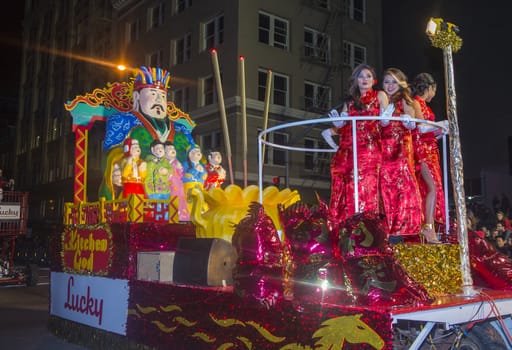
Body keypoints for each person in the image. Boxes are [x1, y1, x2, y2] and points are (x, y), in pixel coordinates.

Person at [322, 63, 388, 224]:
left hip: (370, 149)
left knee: (368, 186)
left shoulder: (380, 95)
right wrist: (338, 123)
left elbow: (385, 121)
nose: (364, 79)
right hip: (350, 150)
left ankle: (368, 225)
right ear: (356, 80)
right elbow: (343, 123)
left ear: (374, 80)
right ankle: (350, 226)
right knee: (350, 187)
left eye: (368, 76)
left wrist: (386, 118)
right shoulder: (350, 101)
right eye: (361, 76)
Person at [380, 68, 424, 242]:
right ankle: (387, 230)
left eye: (394, 82)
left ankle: (401, 232)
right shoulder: (380, 100)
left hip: (399, 152)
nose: (390, 85)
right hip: (383, 150)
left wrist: (408, 120)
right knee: (385, 191)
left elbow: (412, 123)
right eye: (386, 81)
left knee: (402, 191)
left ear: (400, 84)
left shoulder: (404, 100)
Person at [410, 72, 446, 241]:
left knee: (431, 188)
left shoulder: (424, 105)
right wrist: (442, 124)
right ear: (430, 88)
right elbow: (421, 128)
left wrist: (439, 131)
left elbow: (427, 132)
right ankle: (428, 227)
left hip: (430, 150)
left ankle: (428, 226)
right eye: (434, 90)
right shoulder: (417, 103)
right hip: (422, 151)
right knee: (432, 188)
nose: (434, 93)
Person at [164, 141, 189, 221]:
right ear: (164, 152)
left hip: (178, 186)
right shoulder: (163, 163)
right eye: (170, 149)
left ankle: (182, 216)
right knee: (168, 201)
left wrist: (180, 168)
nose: (173, 150)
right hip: (167, 186)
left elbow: (182, 175)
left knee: (180, 201)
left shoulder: (177, 163)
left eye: (173, 148)